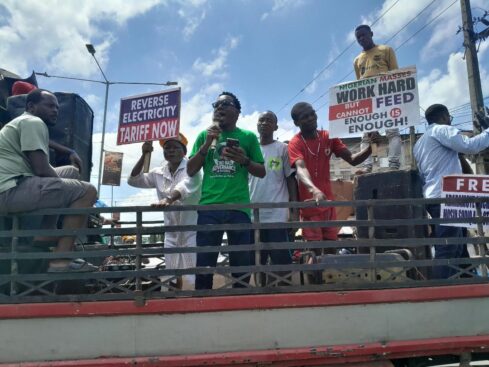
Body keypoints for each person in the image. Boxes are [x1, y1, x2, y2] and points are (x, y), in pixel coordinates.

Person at [0, 89, 97, 272]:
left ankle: (46, 232)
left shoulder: (23, 122)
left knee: (70, 172)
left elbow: (46, 149)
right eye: (50, 106)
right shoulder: (33, 122)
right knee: (88, 191)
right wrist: (73, 197)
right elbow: (41, 169)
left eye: (58, 108)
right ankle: (60, 261)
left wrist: (69, 152)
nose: (55, 111)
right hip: (9, 190)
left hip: (13, 185)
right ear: (31, 106)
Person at [187, 91, 265, 290]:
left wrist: (244, 160)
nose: (219, 108)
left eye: (226, 104)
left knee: (241, 262)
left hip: (238, 208)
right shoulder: (204, 135)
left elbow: (262, 171)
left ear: (237, 112)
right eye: (216, 105)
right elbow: (190, 169)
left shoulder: (248, 137)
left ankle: (240, 302)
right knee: (204, 263)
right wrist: (206, 144)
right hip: (208, 208)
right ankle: (203, 303)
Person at [413, 104, 489, 279]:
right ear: (445, 117)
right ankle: (439, 293)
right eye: (450, 119)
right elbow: (469, 146)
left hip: (436, 197)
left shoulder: (420, 143)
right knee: (448, 247)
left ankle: (467, 282)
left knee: (460, 246)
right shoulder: (442, 130)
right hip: (447, 196)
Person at [288, 102, 375, 249]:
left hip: (329, 205)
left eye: (312, 114)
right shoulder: (295, 143)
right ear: (296, 122)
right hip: (310, 206)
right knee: (314, 251)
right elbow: (300, 168)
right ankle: (313, 272)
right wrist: (314, 190)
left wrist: (371, 148)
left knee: (330, 249)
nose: (310, 118)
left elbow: (352, 160)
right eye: (305, 117)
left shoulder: (328, 137)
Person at [128, 133, 201, 289]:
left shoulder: (192, 168)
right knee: (171, 274)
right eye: (167, 148)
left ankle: (194, 301)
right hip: (171, 231)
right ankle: (173, 302)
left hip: (192, 230)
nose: (171, 151)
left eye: (176, 147)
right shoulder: (158, 172)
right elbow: (133, 180)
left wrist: (168, 199)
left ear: (184, 151)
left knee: (193, 273)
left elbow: (185, 187)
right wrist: (144, 154)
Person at [249, 111, 298, 284]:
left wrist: (294, 212)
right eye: (261, 120)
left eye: (269, 120)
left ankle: (283, 294)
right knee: (257, 259)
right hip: (253, 216)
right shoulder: (249, 148)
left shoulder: (282, 149)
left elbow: (291, 180)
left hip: (278, 215)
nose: (264, 123)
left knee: (281, 259)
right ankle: (261, 294)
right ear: (256, 125)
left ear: (276, 126)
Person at [354, 24, 401, 172]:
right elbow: (359, 84)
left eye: (364, 35)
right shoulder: (357, 60)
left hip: (386, 98)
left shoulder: (386, 50)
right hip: (368, 102)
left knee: (392, 132)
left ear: (371, 34)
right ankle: (367, 167)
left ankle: (394, 164)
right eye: (358, 37)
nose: (361, 38)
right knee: (367, 136)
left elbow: (395, 74)